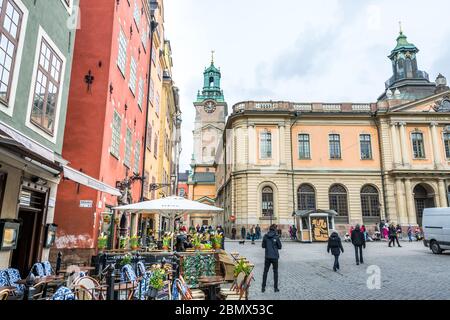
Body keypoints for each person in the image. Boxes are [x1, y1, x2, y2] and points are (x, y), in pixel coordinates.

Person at [262, 224, 282, 293]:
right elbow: (280, 247)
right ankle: (275, 288)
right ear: (275, 229)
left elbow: (263, 246)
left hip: (267, 256)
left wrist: (268, 246)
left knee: (265, 271)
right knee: (275, 272)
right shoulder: (276, 237)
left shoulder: (265, 236)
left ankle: (263, 288)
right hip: (275, 257)